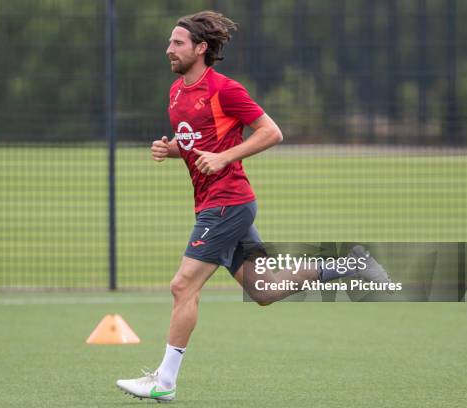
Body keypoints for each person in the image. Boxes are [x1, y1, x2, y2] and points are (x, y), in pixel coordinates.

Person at [116, 10, 391, 402]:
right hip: (222, 205)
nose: (168, 50)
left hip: (227, 203)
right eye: (170, 43)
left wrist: (226, 158)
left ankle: (165, 381)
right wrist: (171, 149)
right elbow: (198, 144)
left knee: (182, 285)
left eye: (177, 43)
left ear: (201, 48)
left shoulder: (225, 89)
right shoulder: (177, 92)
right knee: (263, 290)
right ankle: (352, 263)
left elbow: (271, 132)